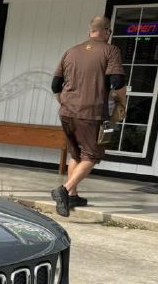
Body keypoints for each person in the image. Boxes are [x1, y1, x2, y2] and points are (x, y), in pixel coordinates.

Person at [50, 16, 127, 217]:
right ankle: (64, 190)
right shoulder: (111, 50)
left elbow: (55, 86)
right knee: (92, 155)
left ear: (90, 31)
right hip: (92, 113)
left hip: (67, 111)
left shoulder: (71, 51)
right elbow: (117, 82)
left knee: (76, 154)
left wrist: (65, 102)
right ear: (107, 31)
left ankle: (73, 195)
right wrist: (122, 103)